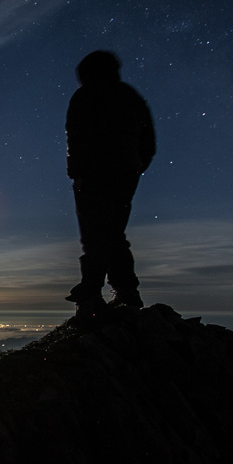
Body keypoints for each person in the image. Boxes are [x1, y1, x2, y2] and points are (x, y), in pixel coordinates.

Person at [65, 50, 155, 313]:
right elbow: (149, 142)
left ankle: (91, 295)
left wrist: (77, 173)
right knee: (114, 233)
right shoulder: (131, 97)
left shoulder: (85, 96)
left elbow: (77, 139)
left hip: (94, 174)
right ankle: (127, 293)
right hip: (126, 174)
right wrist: (136, 167)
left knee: (95, 234)